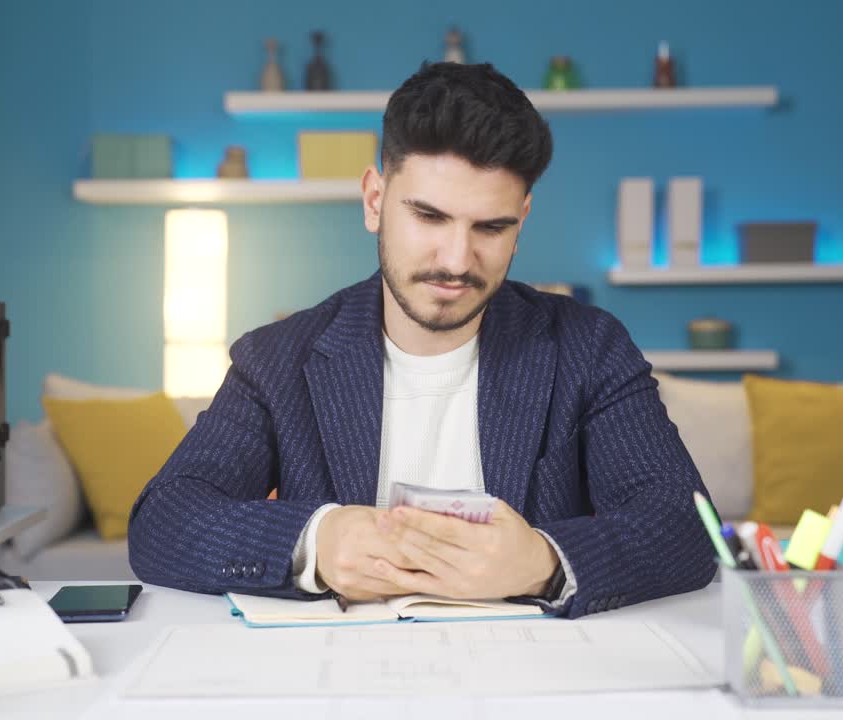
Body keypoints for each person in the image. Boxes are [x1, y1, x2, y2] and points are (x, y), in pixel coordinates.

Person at [128, 62, 716, 618]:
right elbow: (164, 522)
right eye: (430, 217)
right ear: (375, 201)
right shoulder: (276, 359)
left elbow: (686, 527)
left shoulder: (589, 347)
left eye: (491, 226)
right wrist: (317, 542)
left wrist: (543, 562)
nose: (458, 260)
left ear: (522, 220)